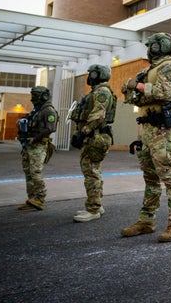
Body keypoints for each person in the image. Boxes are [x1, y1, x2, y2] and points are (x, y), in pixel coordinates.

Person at [120, 32, 171, 243]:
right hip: (148, 129)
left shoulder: (170, 66)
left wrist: (136, 86)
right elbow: (135, 98)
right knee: (150, 178)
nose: (150, 49)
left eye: (153, 45)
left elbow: (164, 93)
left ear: (160, 46)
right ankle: (146, 221)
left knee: (169, 177)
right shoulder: (149, 70)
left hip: (164, 131)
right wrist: (132, 89)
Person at [70, 64, 117, 222]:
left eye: (91, 74)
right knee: (94, 171)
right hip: (94, 135)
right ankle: (97, 204)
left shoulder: (102, 92)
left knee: (91, 172)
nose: (88, 76)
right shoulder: (97, 91)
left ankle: (93, 209)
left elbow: (98, 115)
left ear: (98, 75)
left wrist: (83, 133)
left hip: (94, 136)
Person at [18, 86, 58, 211]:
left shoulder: (48, 110)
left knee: (35, 172)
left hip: (38, 145)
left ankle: (40, 198)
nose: (33, 98)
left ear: (43, 96)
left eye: (35, 95)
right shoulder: (37, 110)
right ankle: (32, 198)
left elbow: (50, 128)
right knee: (28, 172)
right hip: (29, 145)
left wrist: (35, 139)